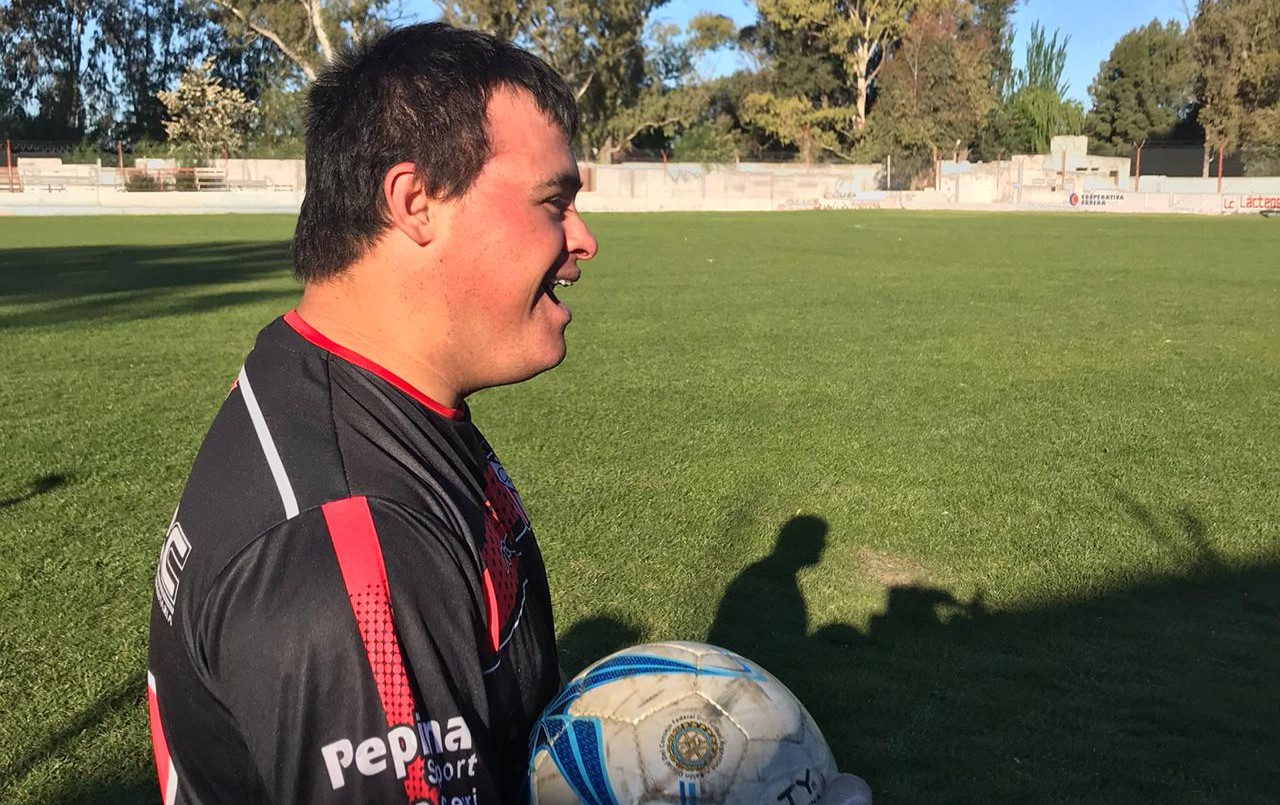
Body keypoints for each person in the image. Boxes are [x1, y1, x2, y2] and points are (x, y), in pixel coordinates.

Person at [147, 23, 595, 804]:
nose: (582, 241)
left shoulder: (315, 370)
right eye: (553, 201)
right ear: (415, 201)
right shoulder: (350, 550)